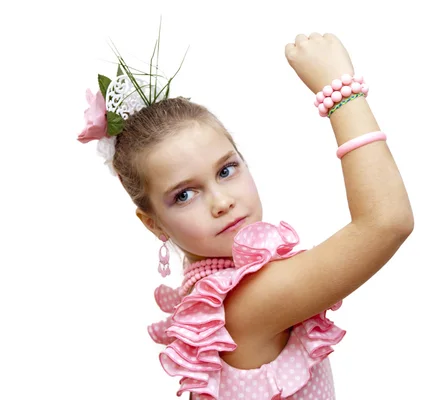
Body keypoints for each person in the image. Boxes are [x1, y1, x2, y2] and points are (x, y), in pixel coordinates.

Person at [78, 31, 414, 399]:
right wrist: (340, 90)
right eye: (185, 195)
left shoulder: (212, 297)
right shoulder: (243, 304)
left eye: (226, 170)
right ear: (153, 222)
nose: (221, 202)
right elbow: (387, 220)